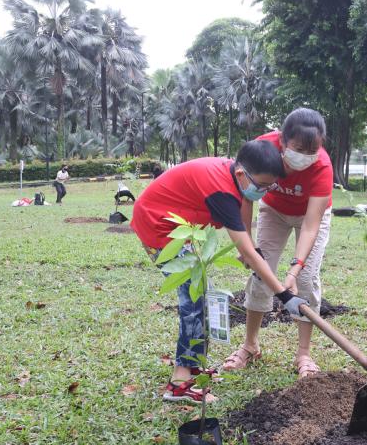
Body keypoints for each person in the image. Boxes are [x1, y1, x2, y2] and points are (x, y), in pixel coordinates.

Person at [131, 140, 308, 403]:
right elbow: (246, 249)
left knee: (201, 295)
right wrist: (283, 294)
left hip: (179, 230)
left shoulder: (236, 177)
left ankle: (193, 367)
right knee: (194, 301)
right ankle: (180, 382)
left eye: (270, 187)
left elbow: (245, 204)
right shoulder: (222, 192)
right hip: (159, 228)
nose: (264, 192)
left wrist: (251, 243)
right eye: (262, 186)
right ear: (241, 174)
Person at [222, 108, 333, 378]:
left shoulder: (323, 167)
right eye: (298, 148)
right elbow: (246, 195)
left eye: (312, 150)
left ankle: (304, 354)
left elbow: (310, 224)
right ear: (282, 141)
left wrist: (294, 269)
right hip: (273, 212)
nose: (305, 157)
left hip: (311, 216)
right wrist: (245, 244)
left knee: (306, 279)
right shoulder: (262, 148)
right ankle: (250, 345)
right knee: (261, 273)